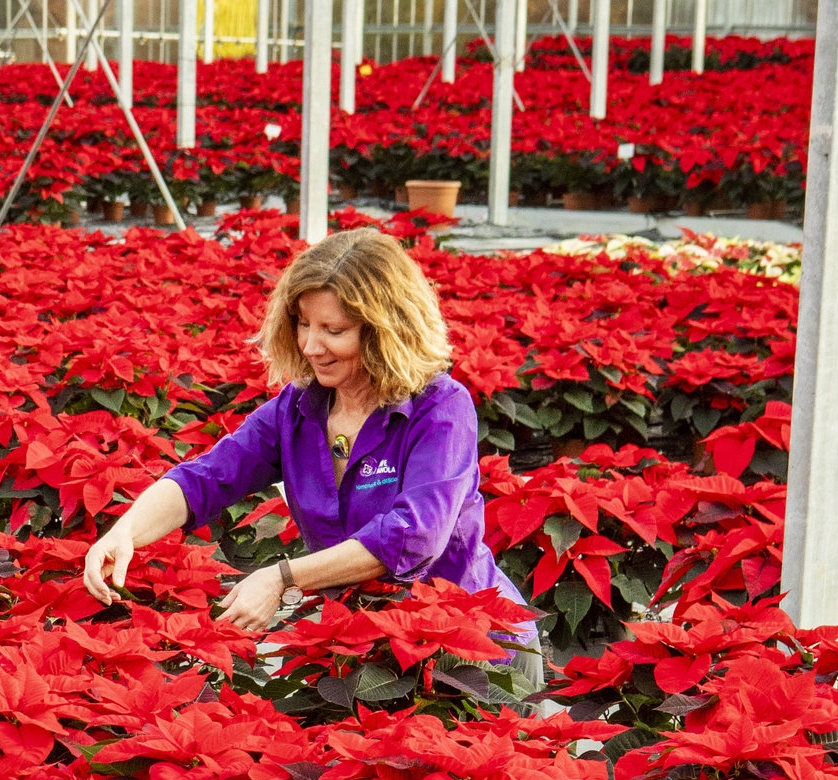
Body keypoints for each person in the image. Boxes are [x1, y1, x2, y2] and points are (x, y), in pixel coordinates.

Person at [83, 226, 541, 690]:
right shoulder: (298, 408)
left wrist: (282, 577)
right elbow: (206, 478)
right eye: (304, 324)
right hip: (364, 650)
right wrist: (124, 534)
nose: (311, 346)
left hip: (477, 656)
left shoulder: (440, 407)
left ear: (387, 330)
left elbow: (414, 536)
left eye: (334, 330)